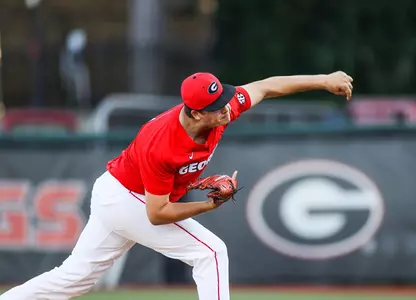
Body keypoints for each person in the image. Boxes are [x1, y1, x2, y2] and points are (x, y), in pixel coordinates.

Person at [0, 71, 353, 300]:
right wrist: (208, 205)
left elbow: (266, 87)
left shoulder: (219, 110)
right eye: (216, 107)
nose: (226, 109)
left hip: (119, 192)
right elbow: (157, 213)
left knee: (74, 279)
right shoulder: (163, 142)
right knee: (210, 252)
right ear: (196, 113)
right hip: (128, 199)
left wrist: (324, 80)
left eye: (223, 98)